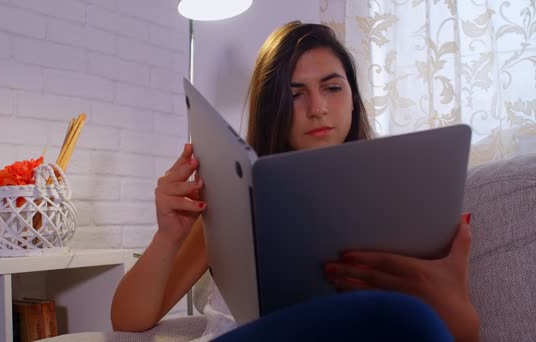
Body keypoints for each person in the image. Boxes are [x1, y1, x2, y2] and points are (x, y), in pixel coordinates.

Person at [110, 21, 480, 341]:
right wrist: (168, 236)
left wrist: (450, 302)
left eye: (332, 88)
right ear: (274, 108)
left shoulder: (397, 201)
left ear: (353, 99)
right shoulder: (235, 202)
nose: (317, 107)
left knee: (408, 320)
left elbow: (460, 334)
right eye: (295, 93)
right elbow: (129, 320)